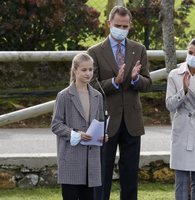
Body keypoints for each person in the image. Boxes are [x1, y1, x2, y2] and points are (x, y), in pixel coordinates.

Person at [87, 5, 152, 200]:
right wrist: (114, 82)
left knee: (130, 173)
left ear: (130, 25)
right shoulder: (95, 51)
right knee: (103, 173)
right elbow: (91, 86)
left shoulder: (139, 49)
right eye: (118, 25)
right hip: (106, 121)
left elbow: (147, 83)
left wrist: (134, 79)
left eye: (125, 26)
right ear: (109, 24)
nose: (121, 29)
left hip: (132, 121)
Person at [51, 53, 108, 200]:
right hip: (70, 159)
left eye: (90, 69)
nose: (88, 73)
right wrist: (76, 134)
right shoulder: (63, 96)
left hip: (91, 162)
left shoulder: (98, 96)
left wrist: (103, 135)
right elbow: (56, 125)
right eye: (84, 70)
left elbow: (100, 122)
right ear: (75, 70)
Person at [166, 38, 195, 200]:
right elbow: (170, 105)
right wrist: (184, 90)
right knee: (181, 180)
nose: (193, 56)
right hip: (181, 130)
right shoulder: (175, 74)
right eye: (190, 52)